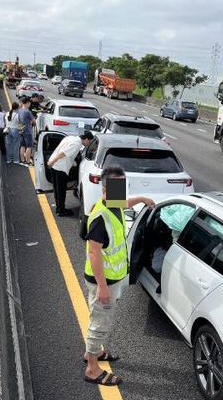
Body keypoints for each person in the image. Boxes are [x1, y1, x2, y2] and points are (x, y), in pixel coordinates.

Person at [83, 166, 155, 386]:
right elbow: (94, 253)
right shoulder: (99, 217)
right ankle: (92, 369)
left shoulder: (112, 204)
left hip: (111, 278)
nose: (122, 192)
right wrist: (103, 287)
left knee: (99, 318)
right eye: (118, 187)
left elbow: (124, 204)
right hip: (103, 281)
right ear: (105, 189)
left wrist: (142, 198)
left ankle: (92, 353)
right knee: (100, 323)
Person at [47, 131, 94, 216]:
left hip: (55, 165)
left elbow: (67, 154)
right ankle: (61, 211)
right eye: (90, 142)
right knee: (61, 190)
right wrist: (51, 162)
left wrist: (73, 163)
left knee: (57, 189)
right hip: (60, 167)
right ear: (86, 139)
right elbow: (63, 153)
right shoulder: (77, 144)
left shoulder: (71, 138)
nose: (89, 144)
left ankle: (59, 208)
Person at [17, 96, 35, 166]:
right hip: (27, 131)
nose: (30, 104)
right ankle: (27, 161)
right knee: (29, 147)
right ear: (27, 103)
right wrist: (32, 122)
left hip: (21, 130)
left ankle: (22, 160)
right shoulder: (28, 112)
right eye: (29, 103)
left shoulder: (20, 110)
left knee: (22, 146)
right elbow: (33, 121)